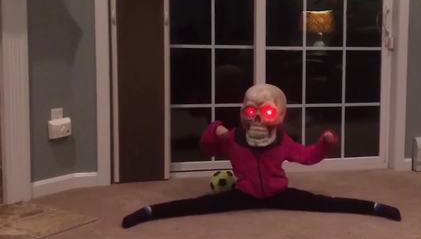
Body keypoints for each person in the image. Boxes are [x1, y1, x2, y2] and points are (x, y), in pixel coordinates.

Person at [122, 84, 401, 228]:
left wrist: (325, 144)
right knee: (198, 204)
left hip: (280, 193)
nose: (256, 118)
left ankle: (374, 207)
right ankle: (150, 212)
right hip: (243, 193)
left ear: (278, 117)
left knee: (325, 203)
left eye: (266, 112)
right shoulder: (234, 139)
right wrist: (214, 130)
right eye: (250, 110)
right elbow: (208, 148)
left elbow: (308, 157)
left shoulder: (282, 141)